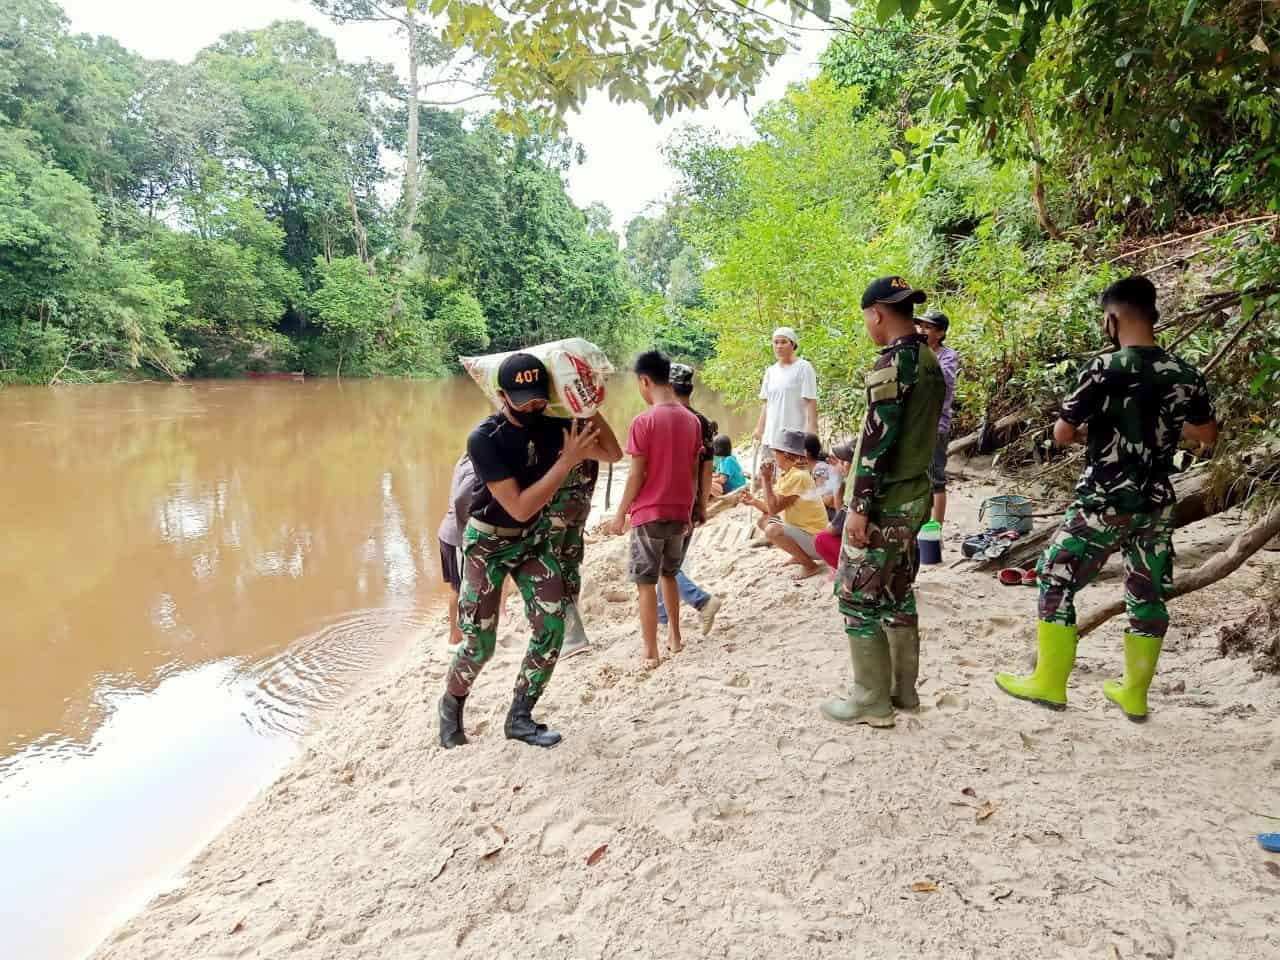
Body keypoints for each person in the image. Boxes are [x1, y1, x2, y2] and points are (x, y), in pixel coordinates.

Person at [995, 276, 1219, 722]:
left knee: (1056, 578)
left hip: (1103, 501)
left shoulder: (1102, 369)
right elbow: (1206, 437)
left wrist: (1099, 430)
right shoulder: (1185, 374)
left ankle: (1050, 682)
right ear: (1152, 314)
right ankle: (1134, 693)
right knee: (1147, 593)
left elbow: (1061, 433)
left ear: (1112, 319)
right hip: (1156, 502)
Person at [438, 353, 618, 751]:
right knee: (479, 645)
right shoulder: (485, 438)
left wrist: (584, 406)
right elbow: (519, 505)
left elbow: (611, 453)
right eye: (524, 400)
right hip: (489, 544)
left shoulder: (555, 425)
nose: (534, 406)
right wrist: (568, 461)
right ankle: (451, 706)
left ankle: (520, 715)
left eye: (540, 397)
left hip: (532, 540)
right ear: (502, 395)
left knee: (552, 627)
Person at [822, 276, 944, 728]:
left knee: (856, 598)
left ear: (875, 314)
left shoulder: (893, 365)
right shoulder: (930, 360)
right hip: (915, 496)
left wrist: (858, 507)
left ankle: (870, 699)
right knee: (898, 592)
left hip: (887, 501)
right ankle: (903, 691)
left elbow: (878, 443)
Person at [605, 351, 703, 664]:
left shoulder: (643, 421)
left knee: (645, 584)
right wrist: (689, 510)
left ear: (644, 381)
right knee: (670, 574)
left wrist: (620, 513)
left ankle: (650, 651)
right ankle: (675, 638)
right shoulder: (692, 420)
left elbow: (636, 474)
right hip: (679, 512)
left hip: (649, 513)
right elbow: (691, 470)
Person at [655, 363, 723, 635]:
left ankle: (701, 600)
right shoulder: (703, 422)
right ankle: (662, 617)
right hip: (691, 500)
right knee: (672, 561)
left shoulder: (663, 418)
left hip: (665, 501)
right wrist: (703, 504)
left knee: (663, 564)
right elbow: (707, 467)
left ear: (668, 388)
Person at [547, 416, 623, 660]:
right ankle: (570, 629)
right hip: (580, 501)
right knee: (569, 562)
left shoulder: (543, 421)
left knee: (547, 565)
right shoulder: (582, 422)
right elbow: (613, 454)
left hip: (555, 504)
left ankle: (571, 634)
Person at [742, 429, 829, 580]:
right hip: (807, 536)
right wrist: (754, 502)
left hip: (817, 543)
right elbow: (772, 508)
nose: (774, 457)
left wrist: (766, 479)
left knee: (772, 530)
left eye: (776, 453)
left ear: (786, 454)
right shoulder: (790, 474)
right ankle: (800, 555)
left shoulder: (798, 476)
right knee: (764, 521)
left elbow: (774, 508)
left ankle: (810, 565)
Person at [916, 310, 960, 525]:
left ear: (941, 333)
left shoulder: (948, 356)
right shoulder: (917, 352)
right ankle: (923, 524)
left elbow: (940, 380)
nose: (922, 330)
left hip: (936, 425)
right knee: (918, 478)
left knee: (936, 479)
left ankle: (937, 530)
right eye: (920, 326)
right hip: (917, 424)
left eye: (928, 327)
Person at [752, 327, 818, 457]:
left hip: (794, 439)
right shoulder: (770, 371)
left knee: (794, 476)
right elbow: (767, 404)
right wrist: (759, 429)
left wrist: (812, 432)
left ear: (793, 344)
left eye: (783, 342)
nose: (779, 346)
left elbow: (810, 401)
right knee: (767, 476)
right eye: (776, 342)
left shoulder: (804, 368)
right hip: (770, 438)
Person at [438, 454, 476, 648]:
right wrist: (464, 529)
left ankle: (461, 630)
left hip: (448, 530)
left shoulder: (465, 457)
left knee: (459, 585)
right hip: (455, 535)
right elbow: (461, 500)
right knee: (457, 586)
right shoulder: (475, 465)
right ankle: (454, 636)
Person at [813, 441, 855, 570]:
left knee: (821, 539)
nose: (839, 465)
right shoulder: (865, 482)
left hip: (866, 557)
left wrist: (837, 480)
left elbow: (834, 529)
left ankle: (847, 572)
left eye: (843, 462)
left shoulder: (856, 489)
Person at [805, 433, 839, 516]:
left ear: (806, 452)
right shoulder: (814, 467)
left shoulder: (819, 469)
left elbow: (826, 499)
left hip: (833, 512)